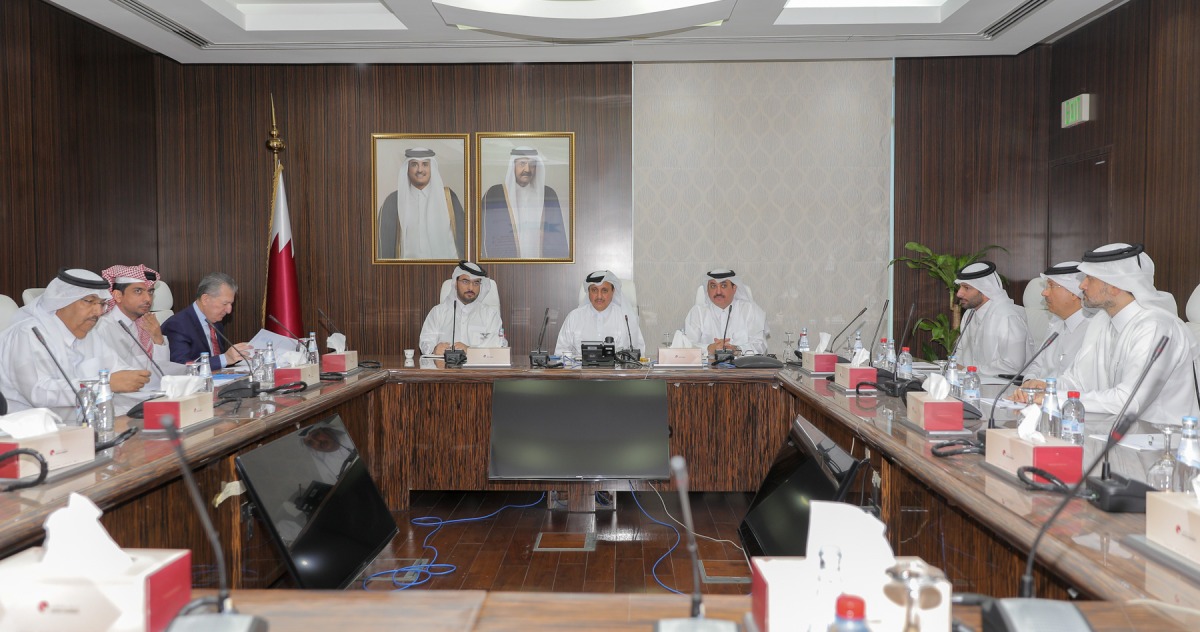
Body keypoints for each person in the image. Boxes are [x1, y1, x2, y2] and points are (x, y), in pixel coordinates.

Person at [1015, 244, 1199, 425]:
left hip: (1164, 437)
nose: (1082, 285)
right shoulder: (1102, 321)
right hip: (1111, 431)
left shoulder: (1156, 327)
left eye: (1090, 278)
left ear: (1114, 286)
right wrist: (1044, 387)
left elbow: (1128, 401)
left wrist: (1053, 398)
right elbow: (1077, 380)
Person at [0, 268, 150, 413]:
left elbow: (117, 369)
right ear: (62, 302)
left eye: (101, 304)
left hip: (80, 420)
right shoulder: (29, 333)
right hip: (27, 424)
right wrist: (105, 384)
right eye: (89, 301)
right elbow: (39, 393)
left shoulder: (90, 333)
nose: (98, 312)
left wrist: (134, 378)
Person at [93, 264, 185, 388]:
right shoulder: (102, 328)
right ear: (118, 296)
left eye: (150, 292)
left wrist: (158, 339)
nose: (148, 299)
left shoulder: (145, 323)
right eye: (138, 291)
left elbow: (161, 371)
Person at [376, 147, 465, 260]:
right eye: (414, 164)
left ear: (432, 168)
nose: (420, 170)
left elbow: (463, 239)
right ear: (407, 169)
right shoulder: (393, 201)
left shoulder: (448, 198)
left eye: (425, 164)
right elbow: (383, 246)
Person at [480, 146, 568, 259]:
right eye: (522, 163)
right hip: (506, 265)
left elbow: (558, 237)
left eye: (532, 164)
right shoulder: (494, 194)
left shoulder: (548, 195)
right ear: (513, 166)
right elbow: (486, 236)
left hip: (540, 265)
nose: (527, 169)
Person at [952, 261, 1032, 376]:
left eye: (967, 288)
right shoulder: (969, 314)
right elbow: (961, 352)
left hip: (1006, 384)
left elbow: (1013, 366)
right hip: (973, 381)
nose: (959, 294)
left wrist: (967, 370)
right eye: (960, 287)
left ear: (985, 290)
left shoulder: (1007, 317)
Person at [161, 272, 253, 371]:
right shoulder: (177, 325)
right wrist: (225, 358)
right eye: (225, 303)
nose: (229, 310)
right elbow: (182, 368)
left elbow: (217, 360)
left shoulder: (216, 321)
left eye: (231, 304)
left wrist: (239, 355)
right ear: (205, 299)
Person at [1022, 261, 1094, 380]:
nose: (1044, 293)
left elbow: (1082, 382)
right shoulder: (1056, 324)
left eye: (1051, 286)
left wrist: (1043, 386)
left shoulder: (1093, 330)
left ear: (1074, 293)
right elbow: (1037, 365)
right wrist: (1029, 381)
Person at [418, 261, 504, 355]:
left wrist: (470, 350)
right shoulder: (438, 313)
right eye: (465, 281)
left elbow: (500, 344)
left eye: (476, 283)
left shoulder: (490, 315)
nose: (471, 288)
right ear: (455, 283)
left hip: (479, 365)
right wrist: (434, 349)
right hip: (444, 364)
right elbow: (425, 342)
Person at [555, 270, 645, 357]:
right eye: (594, 290)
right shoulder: (574, 317)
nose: (599, 296)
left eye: (604, 290)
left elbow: (639, 355)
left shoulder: (626, 318)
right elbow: (560, 354)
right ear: (588, 292)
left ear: (613, 291)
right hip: (579, 368)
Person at [683, 269, 768, 355]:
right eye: (713, 286)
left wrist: (737, 349)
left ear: (734, 288)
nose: (718, 292)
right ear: (707, 290)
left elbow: (760, 346)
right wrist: (708, 348)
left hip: (741, 363)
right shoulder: (697, 312)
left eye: (723, 286)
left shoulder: (750, 310)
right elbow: (686, 346)